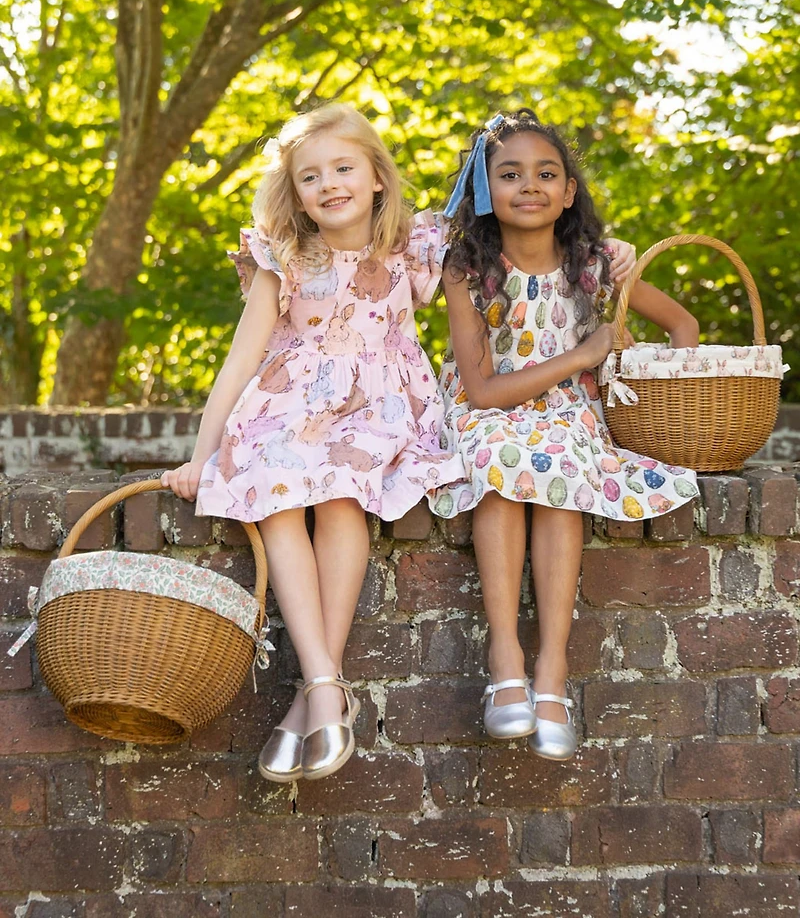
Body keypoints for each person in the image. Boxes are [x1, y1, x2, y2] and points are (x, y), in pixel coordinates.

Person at [161, 103, 466, 782]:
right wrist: (201, 456)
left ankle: (312, 695)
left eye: (343, 168)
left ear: (378, 176)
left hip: (378, 405)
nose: (329, 184)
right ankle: (326, 686)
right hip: (291, 407)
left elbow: (515, 244)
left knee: (338, 493)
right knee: (274, 494)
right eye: (310, 176)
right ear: (295, 193)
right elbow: (239, 363)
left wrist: (610, 254)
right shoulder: (286, 260)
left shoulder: (413, 247)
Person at [429, 109, 700, 760]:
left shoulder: (595, 265)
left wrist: (657, 387)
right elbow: (483, 390)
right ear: (484, 189)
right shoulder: (466, 270)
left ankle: (552, 669)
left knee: (563, 468)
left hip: (568, 414)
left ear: (570, 190)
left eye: (546, 173)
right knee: (501, 462)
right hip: (487, 411)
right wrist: (583, 355)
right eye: (510, 174)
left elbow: (683, 326)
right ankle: (505, 659)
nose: (530, 185)